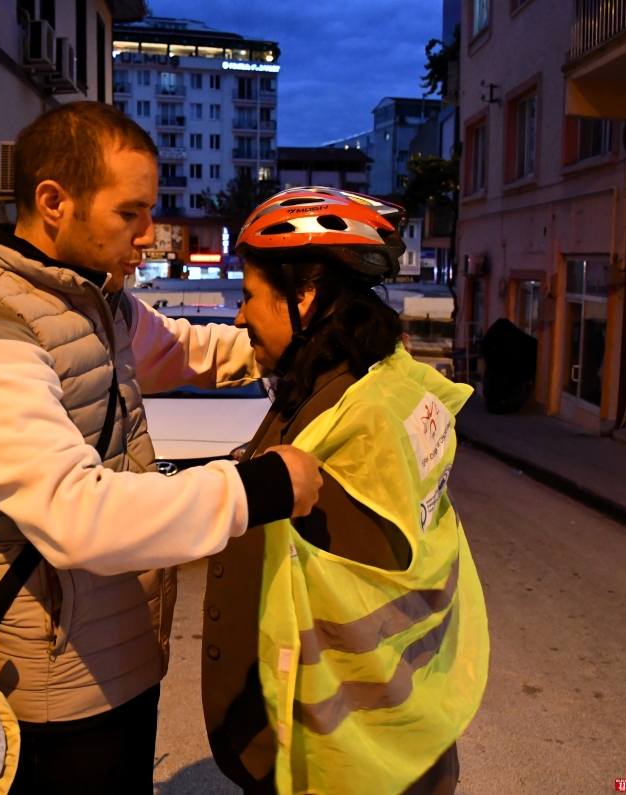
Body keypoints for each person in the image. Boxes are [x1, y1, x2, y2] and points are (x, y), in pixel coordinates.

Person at [0, 102, 323, 794]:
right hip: (51, 695)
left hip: (119, 659)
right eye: (129, 213)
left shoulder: (95, 304)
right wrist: (261, 487)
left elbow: (189, 351)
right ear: (54, 202)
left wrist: (288, 340)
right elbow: (77, 516)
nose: (149, 235)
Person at [201, 187, 490, 795]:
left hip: (346, 759)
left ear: (303, 297)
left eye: (248, 297)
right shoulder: (377, 385)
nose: (238, 316)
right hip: (389, 741)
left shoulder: (345, 423)